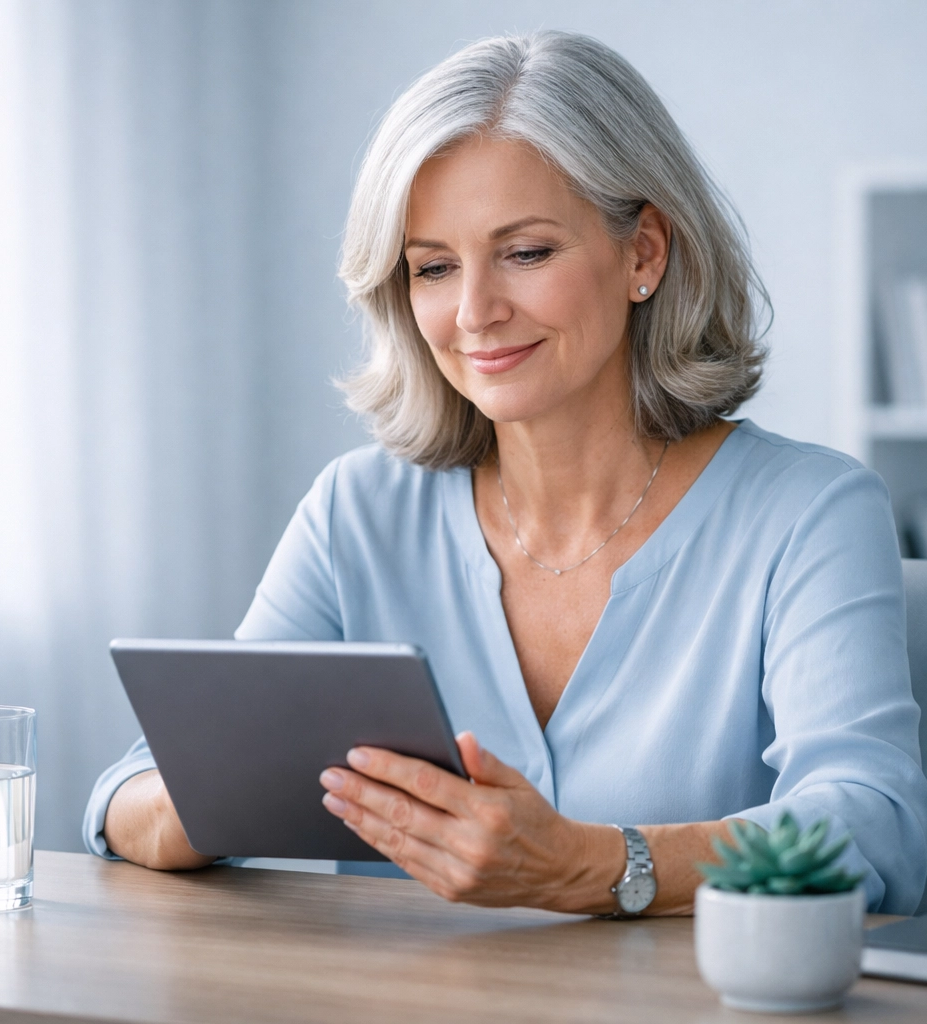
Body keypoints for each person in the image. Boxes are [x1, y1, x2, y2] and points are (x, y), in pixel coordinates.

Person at [84, 31, 927, 916]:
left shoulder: (810, 513)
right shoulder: (356, 514)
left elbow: (875, 829)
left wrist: (590, 864)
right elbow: (123, 798)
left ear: (643, 253)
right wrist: (219, 797)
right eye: (434, 268)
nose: (475, 313)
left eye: (526, 253)